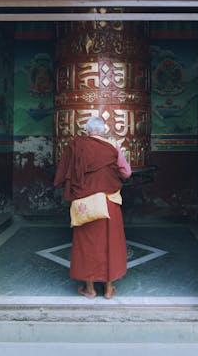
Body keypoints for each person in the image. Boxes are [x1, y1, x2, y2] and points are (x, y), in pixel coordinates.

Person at [53, 116, 132, 299]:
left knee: (87, 244)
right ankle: (109, 289)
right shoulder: (112, 146)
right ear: (103, 131)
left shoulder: (77, 145)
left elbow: (64, 171)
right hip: (109, 201)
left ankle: (90, 289)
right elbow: (127, 173)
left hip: (86, 203)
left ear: (88, 131)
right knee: (110, 242)